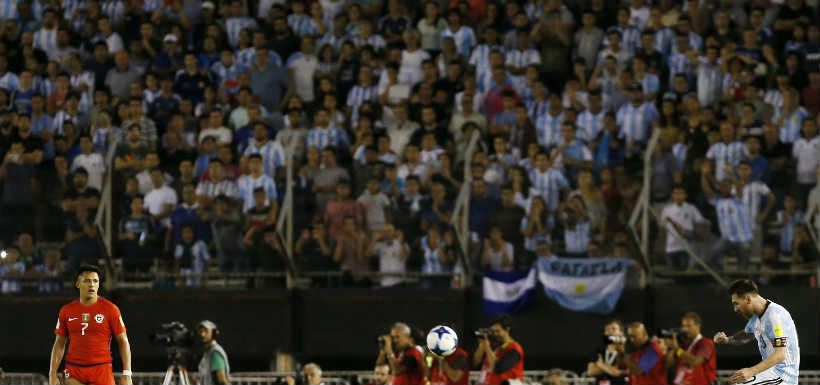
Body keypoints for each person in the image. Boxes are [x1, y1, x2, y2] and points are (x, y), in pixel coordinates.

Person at [49, 264, 132, 385]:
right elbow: (59, 343)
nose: (92, 284)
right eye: (87, 281)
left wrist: (127, 374)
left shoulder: (111, 309)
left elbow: (123, 341)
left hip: (101, 369)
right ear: (78, 284)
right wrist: (52, 373)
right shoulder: (66, 310)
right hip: (74, 369)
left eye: (95, 281)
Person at [713, 279, 800, 385]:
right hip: (770, 373)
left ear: (748, 299)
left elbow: (780, 354)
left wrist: (751, 371)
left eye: (736, 304)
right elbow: (746, 335)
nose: (735, 309)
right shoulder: (756, 318)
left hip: (783, 376)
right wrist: (727, 340)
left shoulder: (775, 316)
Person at [662, 312, 717, 385]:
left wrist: (677, 349)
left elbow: (695, 361)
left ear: (698, 326)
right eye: (683, 326)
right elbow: (667, 364)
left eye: (688, 326)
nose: (685, 329)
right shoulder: (683, 346)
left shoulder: (706, 343)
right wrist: (669, 347)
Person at [474, 314, 524, 385]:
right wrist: (482, 345)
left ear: (507, 329)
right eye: (493, 331)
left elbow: (497, 368)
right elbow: (475, 363)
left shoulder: (514, 348)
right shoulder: (496, 347)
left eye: (497, 331)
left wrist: (487, 346)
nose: (495, 334)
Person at [586, 319, 627, 385]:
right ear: (605, 333)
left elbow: (617, 372)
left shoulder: (625, 352)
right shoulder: (598, 351)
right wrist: (610, 368)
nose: (610, 332)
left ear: (621, 332)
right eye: (608, 330)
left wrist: (600, 365)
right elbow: (591, 371)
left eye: (614, 329)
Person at [197, 320, 231, 385]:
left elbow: (222, 381)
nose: (202, 334)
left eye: (206, 331)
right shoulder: (208, 352)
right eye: (201, 331)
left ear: (214, 333)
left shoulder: (215, 352)